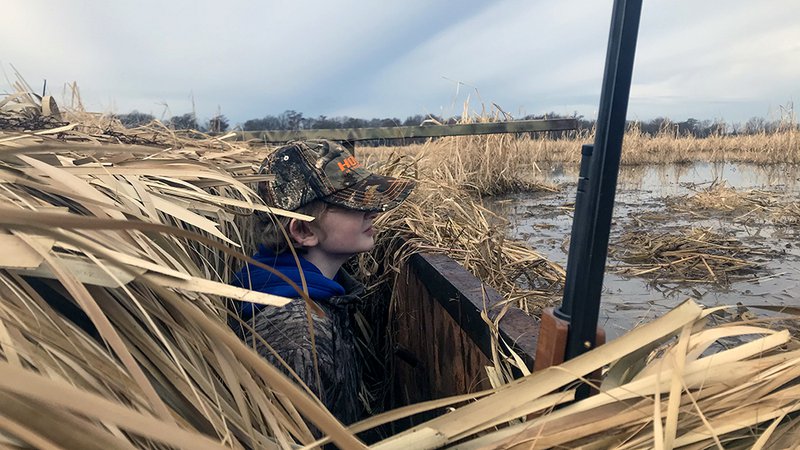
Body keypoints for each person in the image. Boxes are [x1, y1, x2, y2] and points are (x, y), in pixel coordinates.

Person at [231, 139, 415, 426]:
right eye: (353, 203)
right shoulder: (298, 337)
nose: (373, 211)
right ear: (304, 230)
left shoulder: (319, 293)